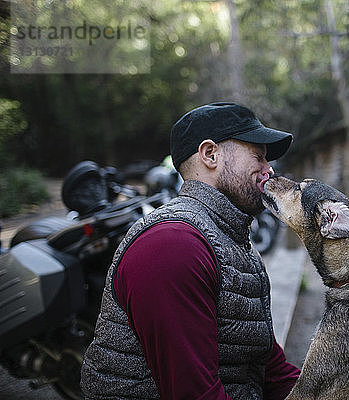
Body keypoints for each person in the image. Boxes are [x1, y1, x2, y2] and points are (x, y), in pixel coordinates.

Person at [81, 102, 300, 399]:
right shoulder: (173, 245)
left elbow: (270, 367)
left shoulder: (234, 242)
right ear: (210, 154)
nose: (268, 169)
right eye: (258, 156)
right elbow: (195, 394)